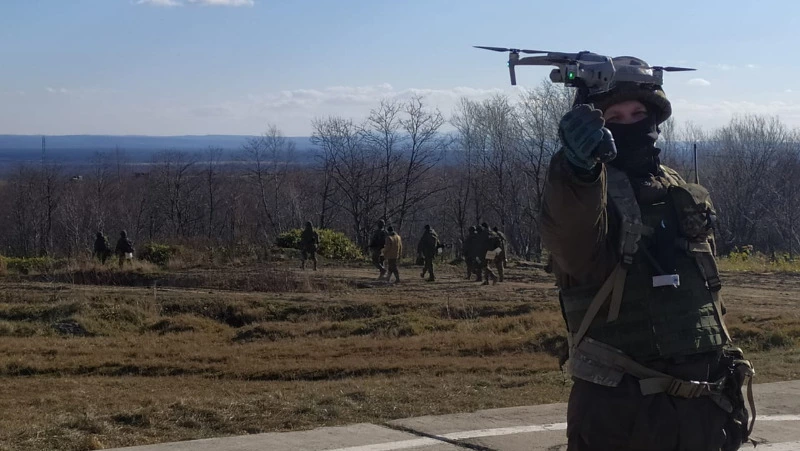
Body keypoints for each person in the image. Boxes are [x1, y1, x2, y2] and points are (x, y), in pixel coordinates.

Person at [541, 57, 753, 451]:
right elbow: (570, 230)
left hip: (704, 410)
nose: (630, 124)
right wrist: (577, 170)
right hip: (623, 417)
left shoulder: (675, 188)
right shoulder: (589, 193)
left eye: (638, 113)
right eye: (615, 118)